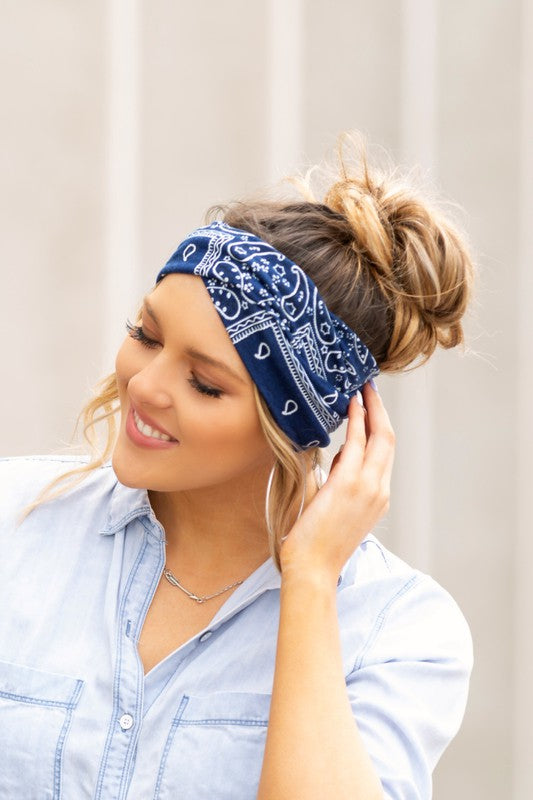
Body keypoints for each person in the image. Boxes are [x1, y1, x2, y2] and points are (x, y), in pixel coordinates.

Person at [0, 138, 474, 800]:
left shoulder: (397, 630)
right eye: (145, 335)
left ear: (292, 422)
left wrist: (310, 580)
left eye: (204, 384)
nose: (144, 386)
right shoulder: (14, 522)